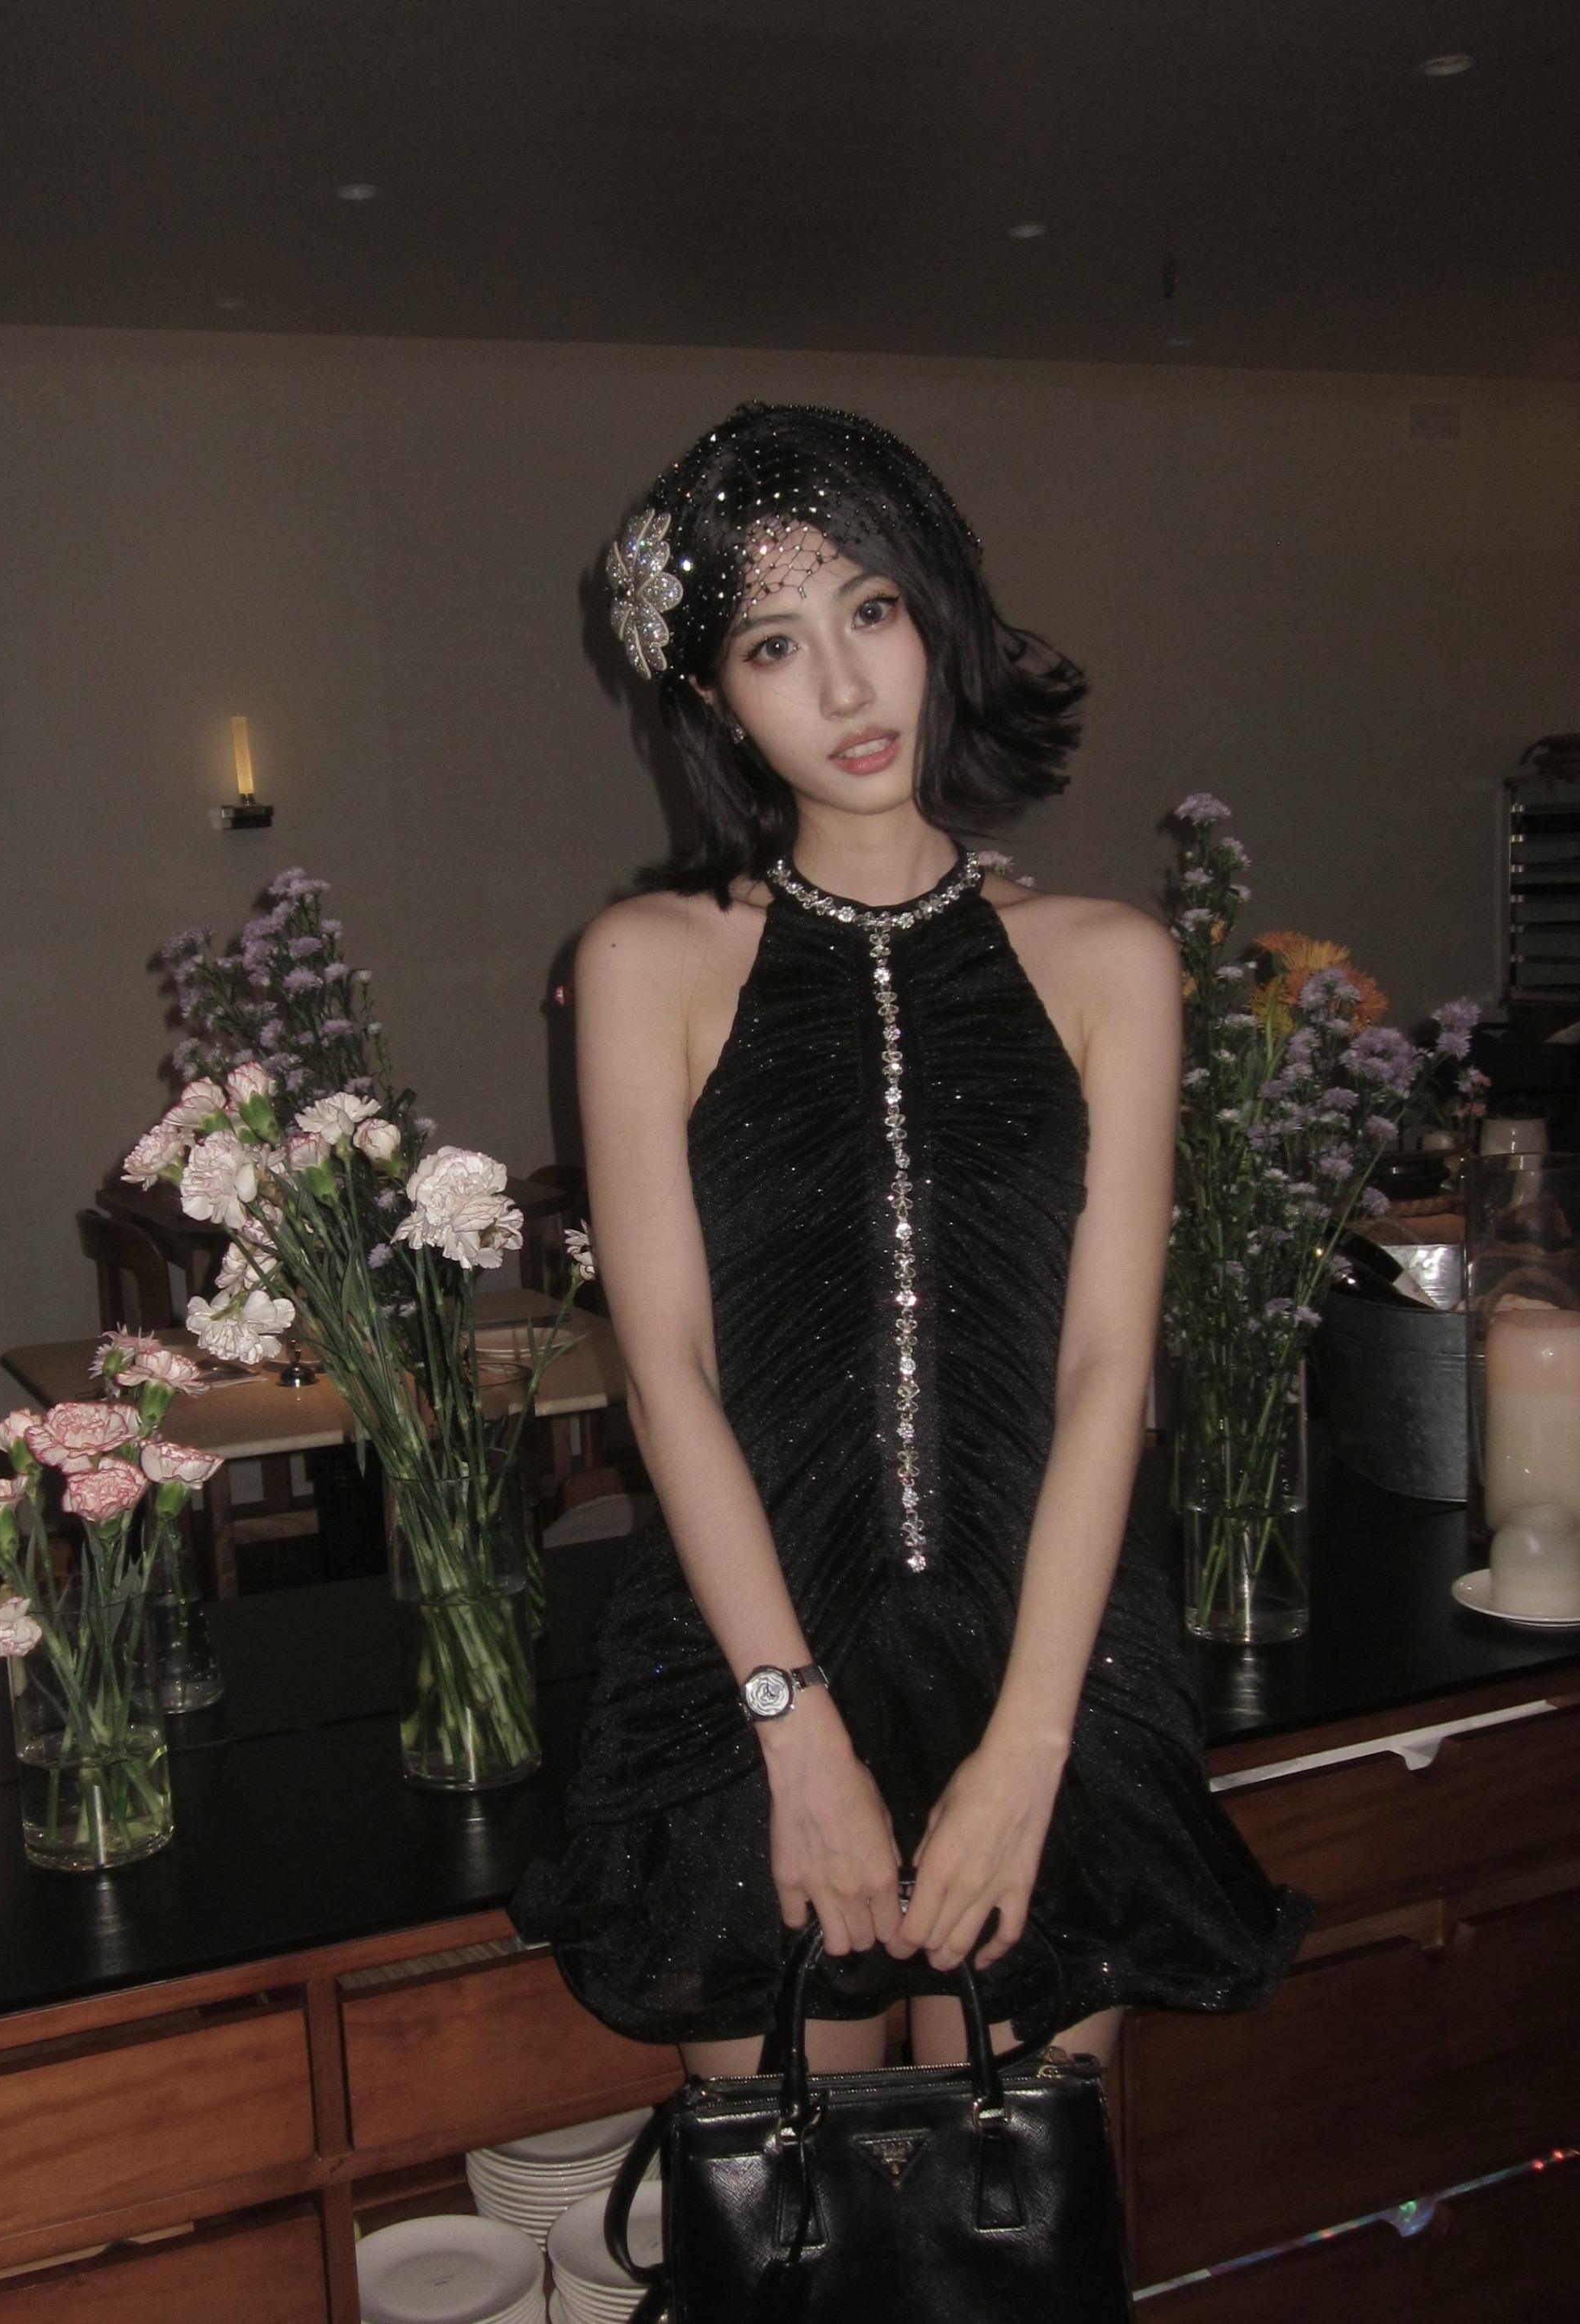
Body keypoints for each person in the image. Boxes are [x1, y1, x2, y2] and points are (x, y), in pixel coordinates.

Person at [511, 402, 1313, 2083]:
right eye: (772, 643)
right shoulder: (650, 958)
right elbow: (666, 1375)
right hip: (747, 1663)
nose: (845, 685)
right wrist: (795, 1733)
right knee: (788, 2205)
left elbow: (1109, 1370)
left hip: (1048, 1657)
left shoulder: (1111, 961)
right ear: (714, 697)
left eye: (870, 609)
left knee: (1015, 2195)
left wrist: (1029, 1749)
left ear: (938, 609)